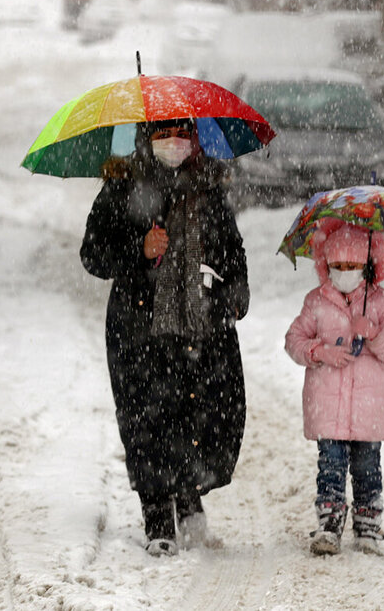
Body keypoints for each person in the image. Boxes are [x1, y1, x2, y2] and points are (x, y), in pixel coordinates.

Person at [79, 117, 250, 557]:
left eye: (180, 135)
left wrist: (235, 290)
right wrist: (140, 249)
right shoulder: (122, 186)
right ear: (145, 139)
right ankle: (158, 517)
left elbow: (231, 248)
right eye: (162, 135)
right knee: (146, 420)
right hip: (138, 329)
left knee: (201, 414)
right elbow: (93, 254)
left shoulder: (207, 188)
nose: (172, 143)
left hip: (201, 326)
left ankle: (191, 499)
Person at [284, 220, 384, 556]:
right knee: (331, 466)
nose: (344, 272)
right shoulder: (317, 302)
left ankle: (368, 523)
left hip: (369, 407)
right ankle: (329, 522)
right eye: (337, 266)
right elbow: (294, 341)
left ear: (368, 266)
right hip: (328, 407)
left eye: (352, 266)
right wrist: (320, 352)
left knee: (368, 467)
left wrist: (374, 333)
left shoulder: (382, 304)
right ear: (326, 264)